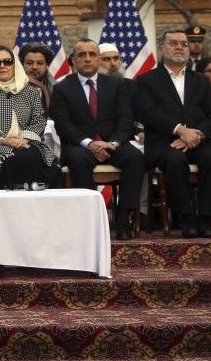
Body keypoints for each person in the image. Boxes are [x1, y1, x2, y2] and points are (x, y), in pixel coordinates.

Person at [133, 28, 211, 238]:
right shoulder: (146, 80)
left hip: (198, 140)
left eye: (183, 44)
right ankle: (185, 218)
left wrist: (198, 134)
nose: (179, 48)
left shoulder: (200, 80)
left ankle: (206, 217)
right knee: (174, 161)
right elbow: (146, 113)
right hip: (163, 142)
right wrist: (180, 130)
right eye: (173, 43)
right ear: (162, 48)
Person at [52, 38, 146, 239]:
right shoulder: (62, 88)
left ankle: (123, 219)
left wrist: (112, 143)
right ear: (73, 60)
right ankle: (90, 221)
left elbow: (125, 121)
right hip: (81, 146)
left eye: (92, 54)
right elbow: (63, 125)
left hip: (113, 143)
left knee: (135, 158)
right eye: (81, 55)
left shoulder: (117, 85)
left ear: (98, 59)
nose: (87, 59)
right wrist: (90, 143)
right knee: (77, 160)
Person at [0, 45, 56, 188]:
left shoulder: (30, 92)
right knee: (12, 158)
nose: (2, 66)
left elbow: (39, 121)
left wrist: (23, 139)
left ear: (15, 65)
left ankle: (34, 200)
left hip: (27, 142)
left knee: (32, 156)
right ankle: (8, 203)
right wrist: (3, 140)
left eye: (7, 61)